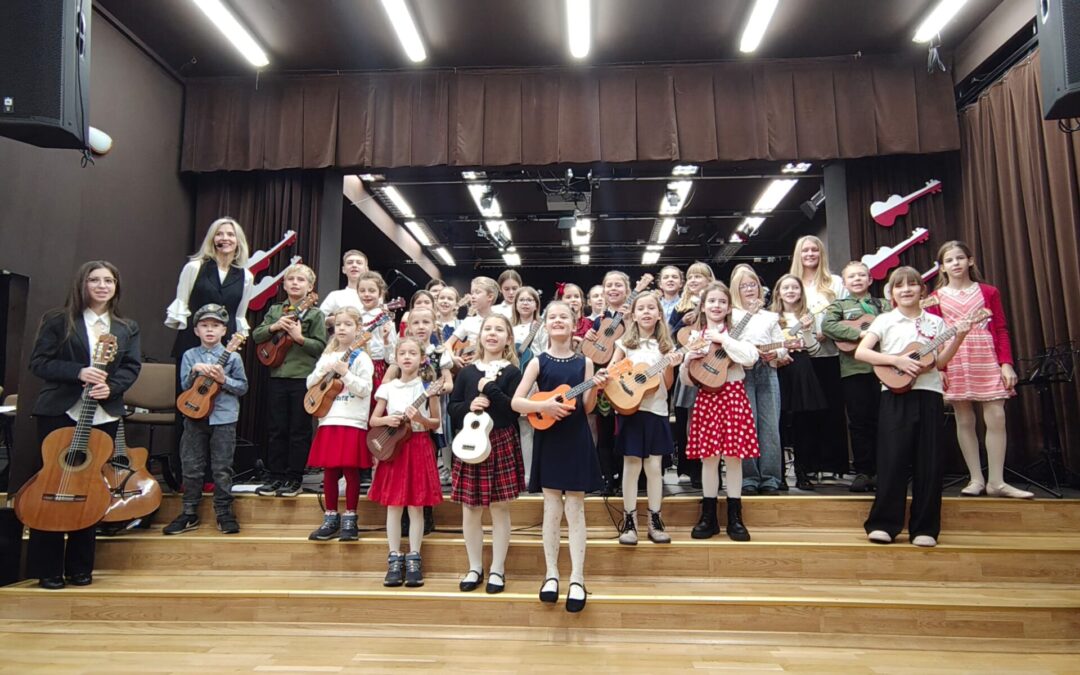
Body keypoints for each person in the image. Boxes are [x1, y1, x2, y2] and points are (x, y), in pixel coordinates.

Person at [27, 261, 141, 589]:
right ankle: (47, 567)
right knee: (51, 486)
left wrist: (112, 386)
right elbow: (40, 362)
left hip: (101, 414)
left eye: (109, 280)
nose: (102, 286)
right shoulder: (58, 320)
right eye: (95, 280)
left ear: (116, 287)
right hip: (59, 412)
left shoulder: (126, 327)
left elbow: (131, 366)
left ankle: (80, 566)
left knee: (90, 488)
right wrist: (78, 371)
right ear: (83, 284)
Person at [855, 267, 971, 547]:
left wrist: (959, 336)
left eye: (912, 285)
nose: (906, 290)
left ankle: (925, 528)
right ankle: (884, 523)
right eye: (899, 286)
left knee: (929, 462)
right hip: (894, 395)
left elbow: (940, 362)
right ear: (892, 293)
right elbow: (861, 352)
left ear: (922, 289)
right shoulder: (885, 320)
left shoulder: (936, 323)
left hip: (929, 393)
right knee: (892, 459)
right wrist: (896, 361)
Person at [512, 300, 607, 612]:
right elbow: (517, 402)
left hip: (576, 437)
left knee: (576, 508)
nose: (557, 321)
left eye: (563, 316)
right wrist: (544, 407)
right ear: (545, 323)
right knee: (552, 507)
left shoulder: (586, 364)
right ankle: (551, 573)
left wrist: (596, 387)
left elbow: (588, 407)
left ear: (574, 321)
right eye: (551, 317)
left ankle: (577, 577)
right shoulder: (538, 362)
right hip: (550, 437)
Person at [927, 241, 1031, 499]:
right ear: (942, 268)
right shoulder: (935, 297)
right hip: (955, 358)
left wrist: (1005, 362)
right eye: (949, 260)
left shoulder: (988, 291)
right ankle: (976, 478)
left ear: (970, 261)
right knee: (964, 418)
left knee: (996, 416)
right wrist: (939, 366)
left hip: (986, 356)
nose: (956, 263)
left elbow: (1001, 329)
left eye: (960, 258)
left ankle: (997, 481)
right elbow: (932, 334)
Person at [165, 217, 253, 486]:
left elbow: (240, 315)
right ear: (212, 239)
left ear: (238, 241)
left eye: (230, 234)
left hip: (226, 348)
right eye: (219, 234)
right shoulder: (194, 267)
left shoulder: (245, 276)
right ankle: (186, 478)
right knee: (189, 411)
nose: (225, 238)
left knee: (220, 408)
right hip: (191, 346)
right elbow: (182, 305)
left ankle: (214, 480)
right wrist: (194, 357)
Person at [448, 314, 523, 594]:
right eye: (487, 329)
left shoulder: (513, 372)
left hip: (500, 441)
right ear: (479, 336)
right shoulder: (467, 372)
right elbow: (452, 408)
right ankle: (474, 566)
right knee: (470, 508)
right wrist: (470, 405)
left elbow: (513, 410)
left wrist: (489, 391)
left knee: (499, 507)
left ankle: (497, 569)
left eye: (499, 330)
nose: (492, 334)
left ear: (508, 338)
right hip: (470, 443)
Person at [683, 282, 759, 541]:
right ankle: (709, 516)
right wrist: (687, 361)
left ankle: (736, 516)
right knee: (709, 458)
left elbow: (750, 358)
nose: (716, 306)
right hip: (707, 398)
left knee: (734, 457)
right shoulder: (695, 336)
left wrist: (724, 339)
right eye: (711, 301)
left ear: (728, 307)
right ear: (703, 306)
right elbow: (685, 380)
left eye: (721, 302)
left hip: (734, 394)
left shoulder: (738, 332)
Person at [164, 304, 248, 535]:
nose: (210, 330)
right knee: (191, 466)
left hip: (223, 418)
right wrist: (194, 372)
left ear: (224, 331)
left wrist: (225, 380)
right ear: (196, 331)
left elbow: (243, 387)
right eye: (204, 325)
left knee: (222, 467)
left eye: (215, 326)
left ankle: (223, 512)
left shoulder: (233, 357)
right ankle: (189, 511)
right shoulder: (190, 356)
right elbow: (184, 386)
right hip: (193, 415)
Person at [369, 338, 444, 587]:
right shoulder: (387, 388)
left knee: (416, 506)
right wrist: (387, 420)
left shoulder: (427, 388)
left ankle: (414, 556)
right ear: (396, 357)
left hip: (419, 446)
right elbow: (373, 421)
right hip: (394, 449)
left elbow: (436, 423)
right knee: (393, 505)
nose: (407, 357)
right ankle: (393, 557)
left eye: (413, 353)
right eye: (403, 353)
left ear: (422, 358)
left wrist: (421, 419)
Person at [610, 292, 683, 545]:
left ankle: (655, 519)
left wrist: (670, 364)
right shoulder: (624, 343)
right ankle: (629, 521)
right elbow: (611, 372)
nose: (647, 312)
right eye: (641, 308)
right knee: (631, 467)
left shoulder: (666, 347)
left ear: (659, 313)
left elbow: (668, 383)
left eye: (652, 308)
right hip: (630, 410)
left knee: (653, 468)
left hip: (657, 410)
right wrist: (627, 380)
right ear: (633, 314)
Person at [252, 263, 327, 497]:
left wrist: (300, 338)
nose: (295, 283)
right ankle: (275, 476)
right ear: (284, 285)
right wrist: (275, 326)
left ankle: (294, 477)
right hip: (277, 377)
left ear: (310, 287)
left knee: (299, 430)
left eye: (301, 280)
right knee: (276, 428)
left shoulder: (315, 314)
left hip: (302, 380)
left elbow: (321, 347)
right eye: (291, 279)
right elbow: (256, 335)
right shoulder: (275, 310)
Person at [305, 307, 374, 542]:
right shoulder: (327, 356)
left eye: (348, 324)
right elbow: (309, 384)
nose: (342, 328)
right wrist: (321, 372)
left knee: (350, 471)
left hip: (352, 420)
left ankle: (350, 517)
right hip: (329, 418)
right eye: (338, 325)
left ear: (358, 330)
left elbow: (365, 390)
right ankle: (330, 516)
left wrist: (345, 374)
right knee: (330, 471)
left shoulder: (362, 358)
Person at [822, 261, 891, 493]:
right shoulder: (839, 306)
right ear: (845, 282)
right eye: (852, 277)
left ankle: (886, 470)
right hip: (854, 370)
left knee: (885, 421)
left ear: (870, 280)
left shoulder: (885, 305)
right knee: (859, 421)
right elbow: (828, 326)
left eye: (862, 275)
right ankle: (864, 471)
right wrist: (861, 333)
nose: (857, 279)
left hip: (886, 370)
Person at [790, 235, 849, 478]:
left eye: (815, 250)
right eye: (805, 250)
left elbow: (845, 313)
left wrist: (827, 332)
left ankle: (832, 465)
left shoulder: (835, 282)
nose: (810, 254)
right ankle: (808, 466)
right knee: (805, 414)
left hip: (830, 353)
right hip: (802, 358)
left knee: (832, 410)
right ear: (798, 254)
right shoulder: (793, 282)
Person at [730, 265, 787, 496]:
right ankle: (749, 478)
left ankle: (771, 478)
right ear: (736, 289)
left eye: (752, 284)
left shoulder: (771, 317)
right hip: (742, 372)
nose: (749, 289)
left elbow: (782, 344)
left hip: (767, 370)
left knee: (770, 426)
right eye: (744, 286)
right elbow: (729, 340)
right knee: (746, 426)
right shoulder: (730, 314)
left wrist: (777, 354)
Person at [770, 275, 826, 491]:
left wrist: (806, 331)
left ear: (801, 292)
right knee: (778, 423)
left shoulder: (808, 316)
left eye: (795, 287)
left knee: (804, 425)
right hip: (780, 369)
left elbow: (814, 350)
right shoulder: (771, 317)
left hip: (802, 369)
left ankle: (803, 472)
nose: (791, 291)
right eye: (786, 287)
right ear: (778, 292)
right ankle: (779, 473)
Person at [669, 262, 715, 488]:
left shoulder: (715, 303)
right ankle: (690, 468)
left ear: (709, 280)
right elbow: (670, 336)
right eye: (690, 277)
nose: (694, 280)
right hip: (687, 370)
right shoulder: (680, 307)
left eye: (699, 276)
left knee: (708, 421)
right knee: (687, 420)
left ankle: (708, 468)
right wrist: (682, 321)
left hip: (713, 368)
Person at [511, 286, 547, 485]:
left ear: (536, 305)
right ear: (515, 305)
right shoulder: (509, 328)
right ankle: (527, 474)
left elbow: (544, 350)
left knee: (540, 427)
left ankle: (542, 471)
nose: (525, 303)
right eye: (521, 300)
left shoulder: (541, 327)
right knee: (523, 429)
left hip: (536, 380)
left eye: (529, 300)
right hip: (515, 382)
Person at [446, 276, 498, 371]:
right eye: (472, 292)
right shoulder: (469, 321)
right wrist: (453, 358)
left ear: (490, 297)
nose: (473, 296)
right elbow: (448, 344)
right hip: (470, 368)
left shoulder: (500, 321)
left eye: (477, 292)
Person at [319, 249, 369, 320]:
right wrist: (330, 321)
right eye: (350, 262)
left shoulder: (375, 296)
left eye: (359, 263)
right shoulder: (335, 296)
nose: (354, 265)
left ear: (366, 269)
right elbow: (318, 320)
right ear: (343, 269)